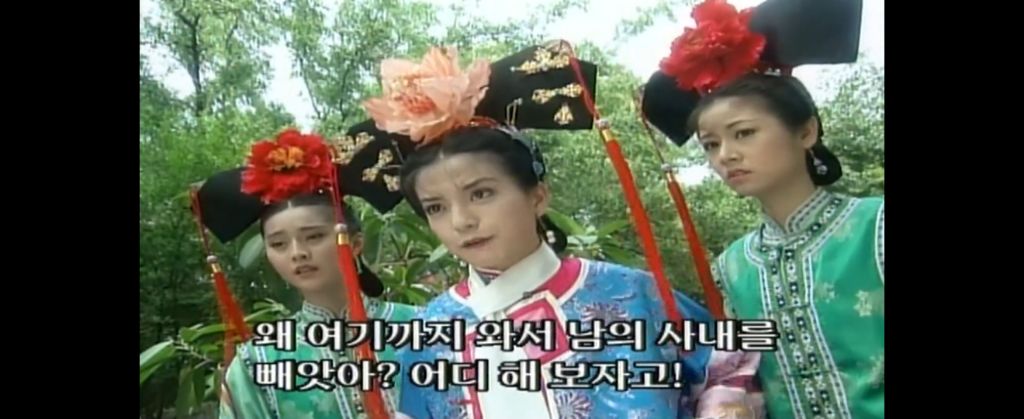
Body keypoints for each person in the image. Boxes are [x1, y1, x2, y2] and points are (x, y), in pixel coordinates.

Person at [340, 42, 765, 419]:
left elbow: (727, 372)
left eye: (481, 193)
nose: (462, 220)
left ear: (538, 196)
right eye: (436, 207)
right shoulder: (433, 330)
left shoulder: (632, 294)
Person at [641, 1, 882, 418]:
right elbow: (745, 383)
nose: (726, 155)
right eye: (711, 144)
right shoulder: (734, 266)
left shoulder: (874, 227)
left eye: (744, 133)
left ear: (806, 131)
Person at [191, 127, 421, 419]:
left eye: (313, 237)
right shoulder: (257, 362)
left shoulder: (423, 328)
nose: (297, 252)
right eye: (278, 244)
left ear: (355, 243)